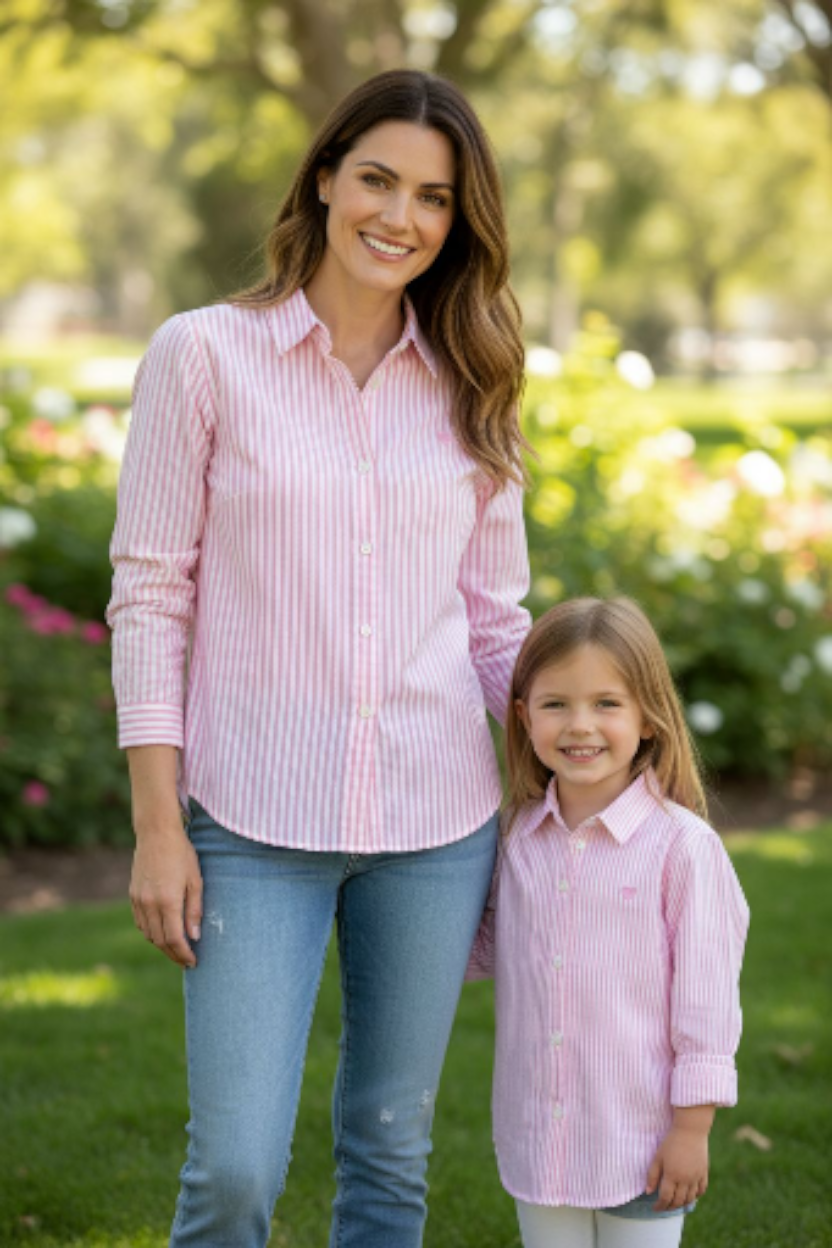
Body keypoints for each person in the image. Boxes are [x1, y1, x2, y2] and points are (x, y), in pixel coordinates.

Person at [106, 69, 531, 1247]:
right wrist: (156, 827)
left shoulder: (474, 377)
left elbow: (495, 618)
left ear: (459, 221)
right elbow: (150, 593)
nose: (400, 217)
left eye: (434, 198)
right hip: (249, 819)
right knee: (236, 1167)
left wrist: (581, 773)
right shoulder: (203, 356)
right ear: (326, 180)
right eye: (378, 180)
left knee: (390, 1153)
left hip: (435, 818)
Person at [467, 597, 750, 1248]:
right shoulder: (515, 843)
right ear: (522, 716)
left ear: (649, 718)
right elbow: (478, 949)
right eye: (556, 704)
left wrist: (691, 1131)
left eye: (607, 703)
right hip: (542, 1142)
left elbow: (706, 1008)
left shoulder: (683, 848)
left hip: (643, 1141)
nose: (580, 725)